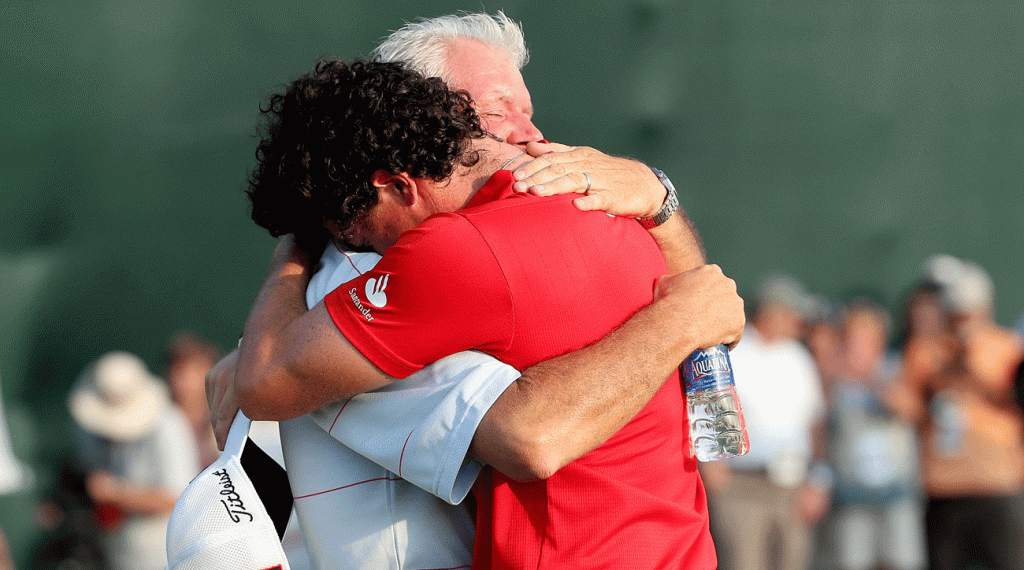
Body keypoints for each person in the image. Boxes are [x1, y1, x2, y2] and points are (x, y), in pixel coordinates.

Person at [205, 13, 744, 570]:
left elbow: (266, 383)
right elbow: (708, 324)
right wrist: (661, 218)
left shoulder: (451, 249)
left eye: (351, 231)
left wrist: (293, 252)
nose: (529, 133)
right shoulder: (617, 205)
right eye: (494, 113)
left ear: (395, 185)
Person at [889, 256, 1024, 570]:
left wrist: (972, 361)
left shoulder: (1007, 349)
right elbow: (908, 404)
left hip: (998, 483)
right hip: (944, 485)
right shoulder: (925, 350)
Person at [703, 273, 829, 570]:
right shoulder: (733, 353)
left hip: (792, 484)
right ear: (771, 311)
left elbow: (815, 423)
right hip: (743, 483)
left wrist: (819, 479)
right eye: (792, 314)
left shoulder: (799, 358)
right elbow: (712, 411)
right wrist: (713, 467)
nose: (798, 322)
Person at [68, 352, 200, 570]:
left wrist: (116, 493)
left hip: (161, 559)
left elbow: (178, 497)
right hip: (120, 554)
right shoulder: (98, 435)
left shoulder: (168, 425)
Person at [824, 298, 925, 570]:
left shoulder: (895, 368)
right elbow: (821, 430)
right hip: (852, 497)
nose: (857, 347)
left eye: (864, 340)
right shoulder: (834, 381)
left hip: (897, 496)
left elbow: (910, 409)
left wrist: (871, 377)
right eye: (852, 340)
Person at [164, 332, 221, 468]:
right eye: (180, 371)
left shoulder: (228, 421)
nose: (186, 381)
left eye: (195, 371)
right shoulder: (158, 422)